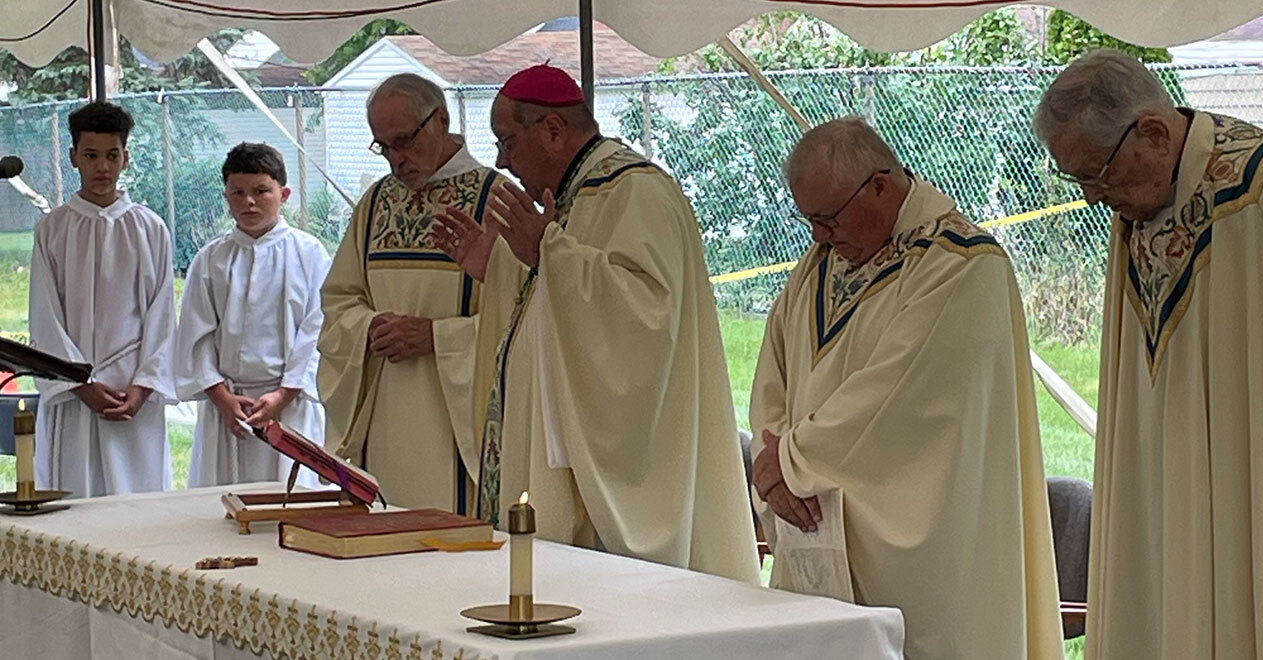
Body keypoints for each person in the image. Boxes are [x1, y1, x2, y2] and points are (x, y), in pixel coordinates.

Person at [749, 117, 1063, 660]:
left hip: (925, 552)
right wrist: (770, 460)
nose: (819, 236)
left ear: (879, 184)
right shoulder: (820, 265)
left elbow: (896, 397)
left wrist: (791, 460)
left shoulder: (962, 265)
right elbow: (772, 371)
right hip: (818, 530)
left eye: (828, 218)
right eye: (810, 221)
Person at [432, 64, 759, 584]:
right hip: (562, 459)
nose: (500, 161)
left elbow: (649, 318)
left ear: (554, 130)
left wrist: (548, 253)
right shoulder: (572, 197)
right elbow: (550, 301)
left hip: (627, 469)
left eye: (507, 142)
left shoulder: (635, 191)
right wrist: (495, 266)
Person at [1034, 48, 1263, 660]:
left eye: (1098, 176)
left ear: (1153, 130)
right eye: (1079, 181)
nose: (1093, 198)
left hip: (1250, 486)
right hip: (1164, 484)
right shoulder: (1137, 204)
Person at [318, 73, 504, 511]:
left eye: (403, 140)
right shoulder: (376, 202)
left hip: (460, 425)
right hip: (383, 416)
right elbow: (339, 299)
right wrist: (369, 326)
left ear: (441, 119)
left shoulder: (496, 200)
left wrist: (437, 337)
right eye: (383, 146)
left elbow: (523, 323)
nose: (395, 160)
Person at [27, 102, 176, 498]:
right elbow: (45, 316)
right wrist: (80, 383)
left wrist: (143, 387)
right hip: (75, 394)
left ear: (125, 157)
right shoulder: (54, 229)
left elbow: (162, 316)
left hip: (133, 395)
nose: (102, 167)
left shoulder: (149, 228)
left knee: (137, 501)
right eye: (91, 156)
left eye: (112, 155)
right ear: (74, 156)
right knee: (75, 499)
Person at [175, 142, 330, 488]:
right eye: (238, 192)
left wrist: (284, 394)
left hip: (291, 405)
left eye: (262, 191)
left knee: (292, 503)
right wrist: (221, 397)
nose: (249, 202)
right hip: (229, 408)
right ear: (226, 195)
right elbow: (196, 335)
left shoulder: (309, 254)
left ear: (284, 193)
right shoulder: (212, 259)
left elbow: (317, 330)